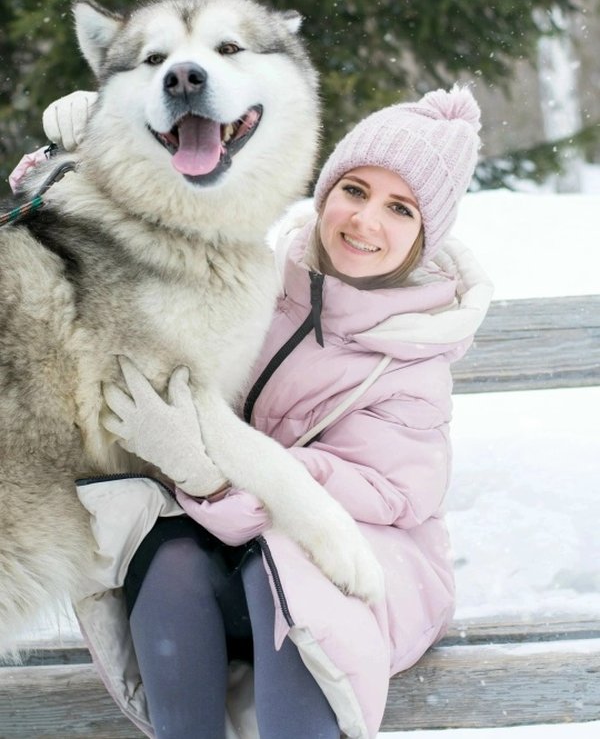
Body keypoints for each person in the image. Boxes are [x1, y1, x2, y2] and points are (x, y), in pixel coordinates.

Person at [12, 85, 493, 739]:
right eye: (354, 191)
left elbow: (389, 493)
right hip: (220, 543)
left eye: (400, 208)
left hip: (364, 575)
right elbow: (153, 203)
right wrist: (93, 135)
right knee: (170, 555)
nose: (365, 221)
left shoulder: (414, 351)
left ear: (423, 232)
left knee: (284, 569)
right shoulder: (249, 271)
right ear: (326, 193)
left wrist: (213, 474)